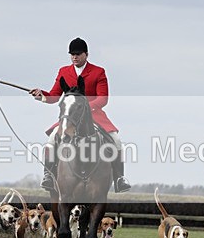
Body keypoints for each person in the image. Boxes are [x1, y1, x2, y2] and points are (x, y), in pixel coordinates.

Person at [29, 37, 131, 193]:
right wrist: (41, 95)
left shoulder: (98, 72)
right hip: (70, 117)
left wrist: (84, 108)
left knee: (116, 141)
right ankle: (48, 175)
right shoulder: (64, 71)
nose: (74, 57)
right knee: (51, 140)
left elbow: (103, 99)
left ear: (86, 54)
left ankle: (119, 178)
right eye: (72, 54)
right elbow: (55, 95)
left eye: (78, 54)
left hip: (93, 115)